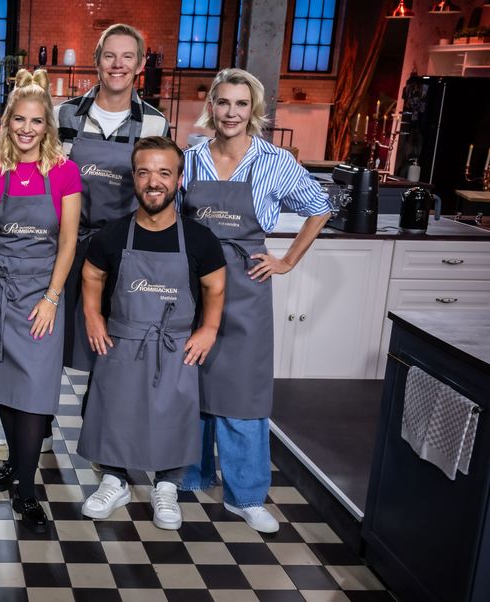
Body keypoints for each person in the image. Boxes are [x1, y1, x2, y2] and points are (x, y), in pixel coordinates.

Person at [180, 68, 330, 533]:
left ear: (254, 110)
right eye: (223, 103)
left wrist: (286, 261)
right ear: (212, 107)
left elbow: (320, 206)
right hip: (191, 280)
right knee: (191, 381)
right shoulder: (191, 159)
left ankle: (246, 495)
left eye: (241, 105)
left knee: (243, 390)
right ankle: (188, 477)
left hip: (246, 285)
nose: (231, 113)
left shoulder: (275, 161)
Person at [77, 136, 225, 530]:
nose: (153, 181)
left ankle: (167, 487)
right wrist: (93, 316)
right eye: (144, 172)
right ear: (134, 179)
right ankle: (115, 480)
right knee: (115, 408)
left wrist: (209, 328)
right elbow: (92, 274)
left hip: (175, 343)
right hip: (123, 339)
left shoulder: (199, 239)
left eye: (164, 172)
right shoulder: (112, 235)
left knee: (171, 413)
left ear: (178, 180)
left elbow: (215, 286)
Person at [0, 69, 81, 533]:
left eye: (37, 121)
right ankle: (15, 464)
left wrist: (52, 298)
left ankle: (26, 491)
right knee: (8, 387)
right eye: (19, 120)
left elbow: (68, 241)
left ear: (47, 126)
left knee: (34, 394)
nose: (27, 129)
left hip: (41, 296)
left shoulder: (64, 172)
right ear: (7, 122)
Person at [56, 23, 170, 373]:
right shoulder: (67, 114)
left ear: (139, 65)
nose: (117, 64)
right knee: (55, 341)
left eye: (127, 57)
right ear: (97, 61)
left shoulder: (155, 123)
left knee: (113, 349)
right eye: (109, 56)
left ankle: (102, 424)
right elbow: (52, 178)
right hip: (67, 243)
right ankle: (40, 425)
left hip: (124, 250)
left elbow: (156, 192)